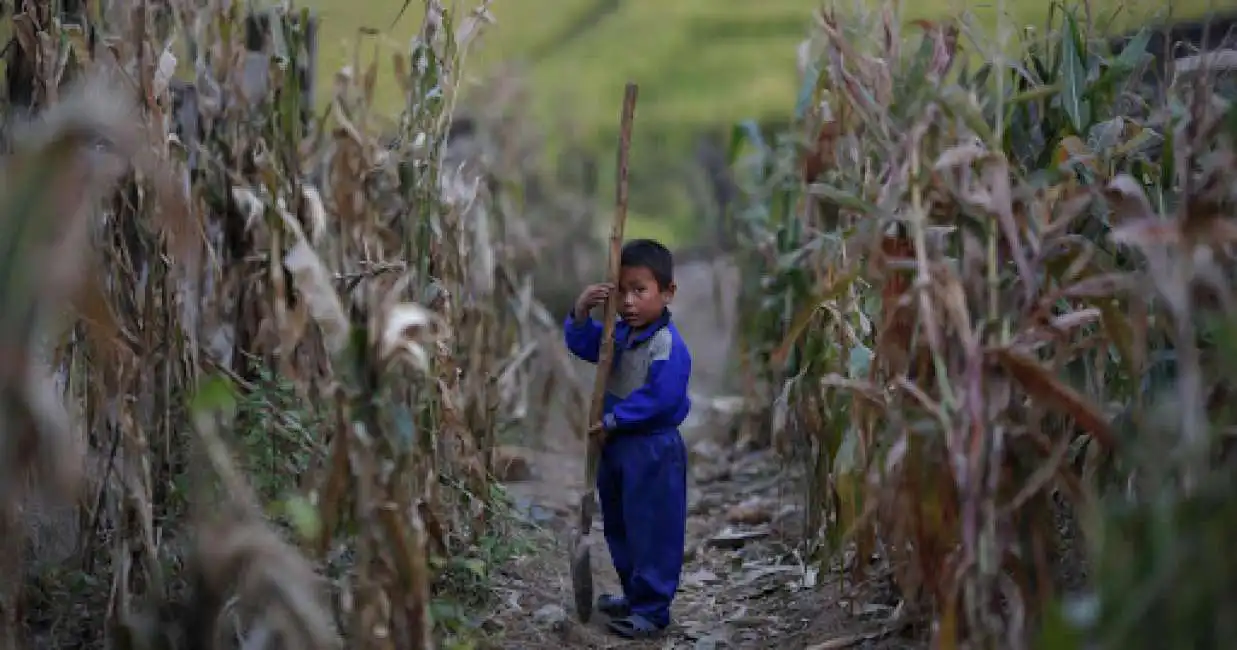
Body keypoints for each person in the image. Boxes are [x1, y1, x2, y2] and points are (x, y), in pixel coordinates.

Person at [563, 238, 692, 639]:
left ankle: (653, 609)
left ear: (667, 292)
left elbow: (662, 397)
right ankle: (634, 594)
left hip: (651, 448)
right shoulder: (616, 336)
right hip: (615, 447)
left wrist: (618, 419)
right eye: (621, 292)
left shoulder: (667, 345)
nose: (630, 302)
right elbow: (585, 346)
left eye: (641, 290)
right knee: (620, 523)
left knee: (652, 527)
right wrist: (582, 312)